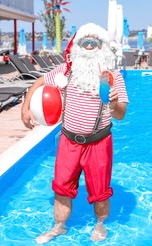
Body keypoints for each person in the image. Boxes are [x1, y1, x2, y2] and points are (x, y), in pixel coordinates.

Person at [21, 23, 129, 244]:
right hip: (69, 141)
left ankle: (99, 225)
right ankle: (59, 227)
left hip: (99, 142)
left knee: (100, 192)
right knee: (61, 188)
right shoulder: (65, 71)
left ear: (102, 46)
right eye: (84, 42)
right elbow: (40, 81)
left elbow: (121, 115)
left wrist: (114, 103)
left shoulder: (113, 77)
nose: (89, 46)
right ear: (77, 46)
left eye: (94, 42)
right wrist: (25, 106)